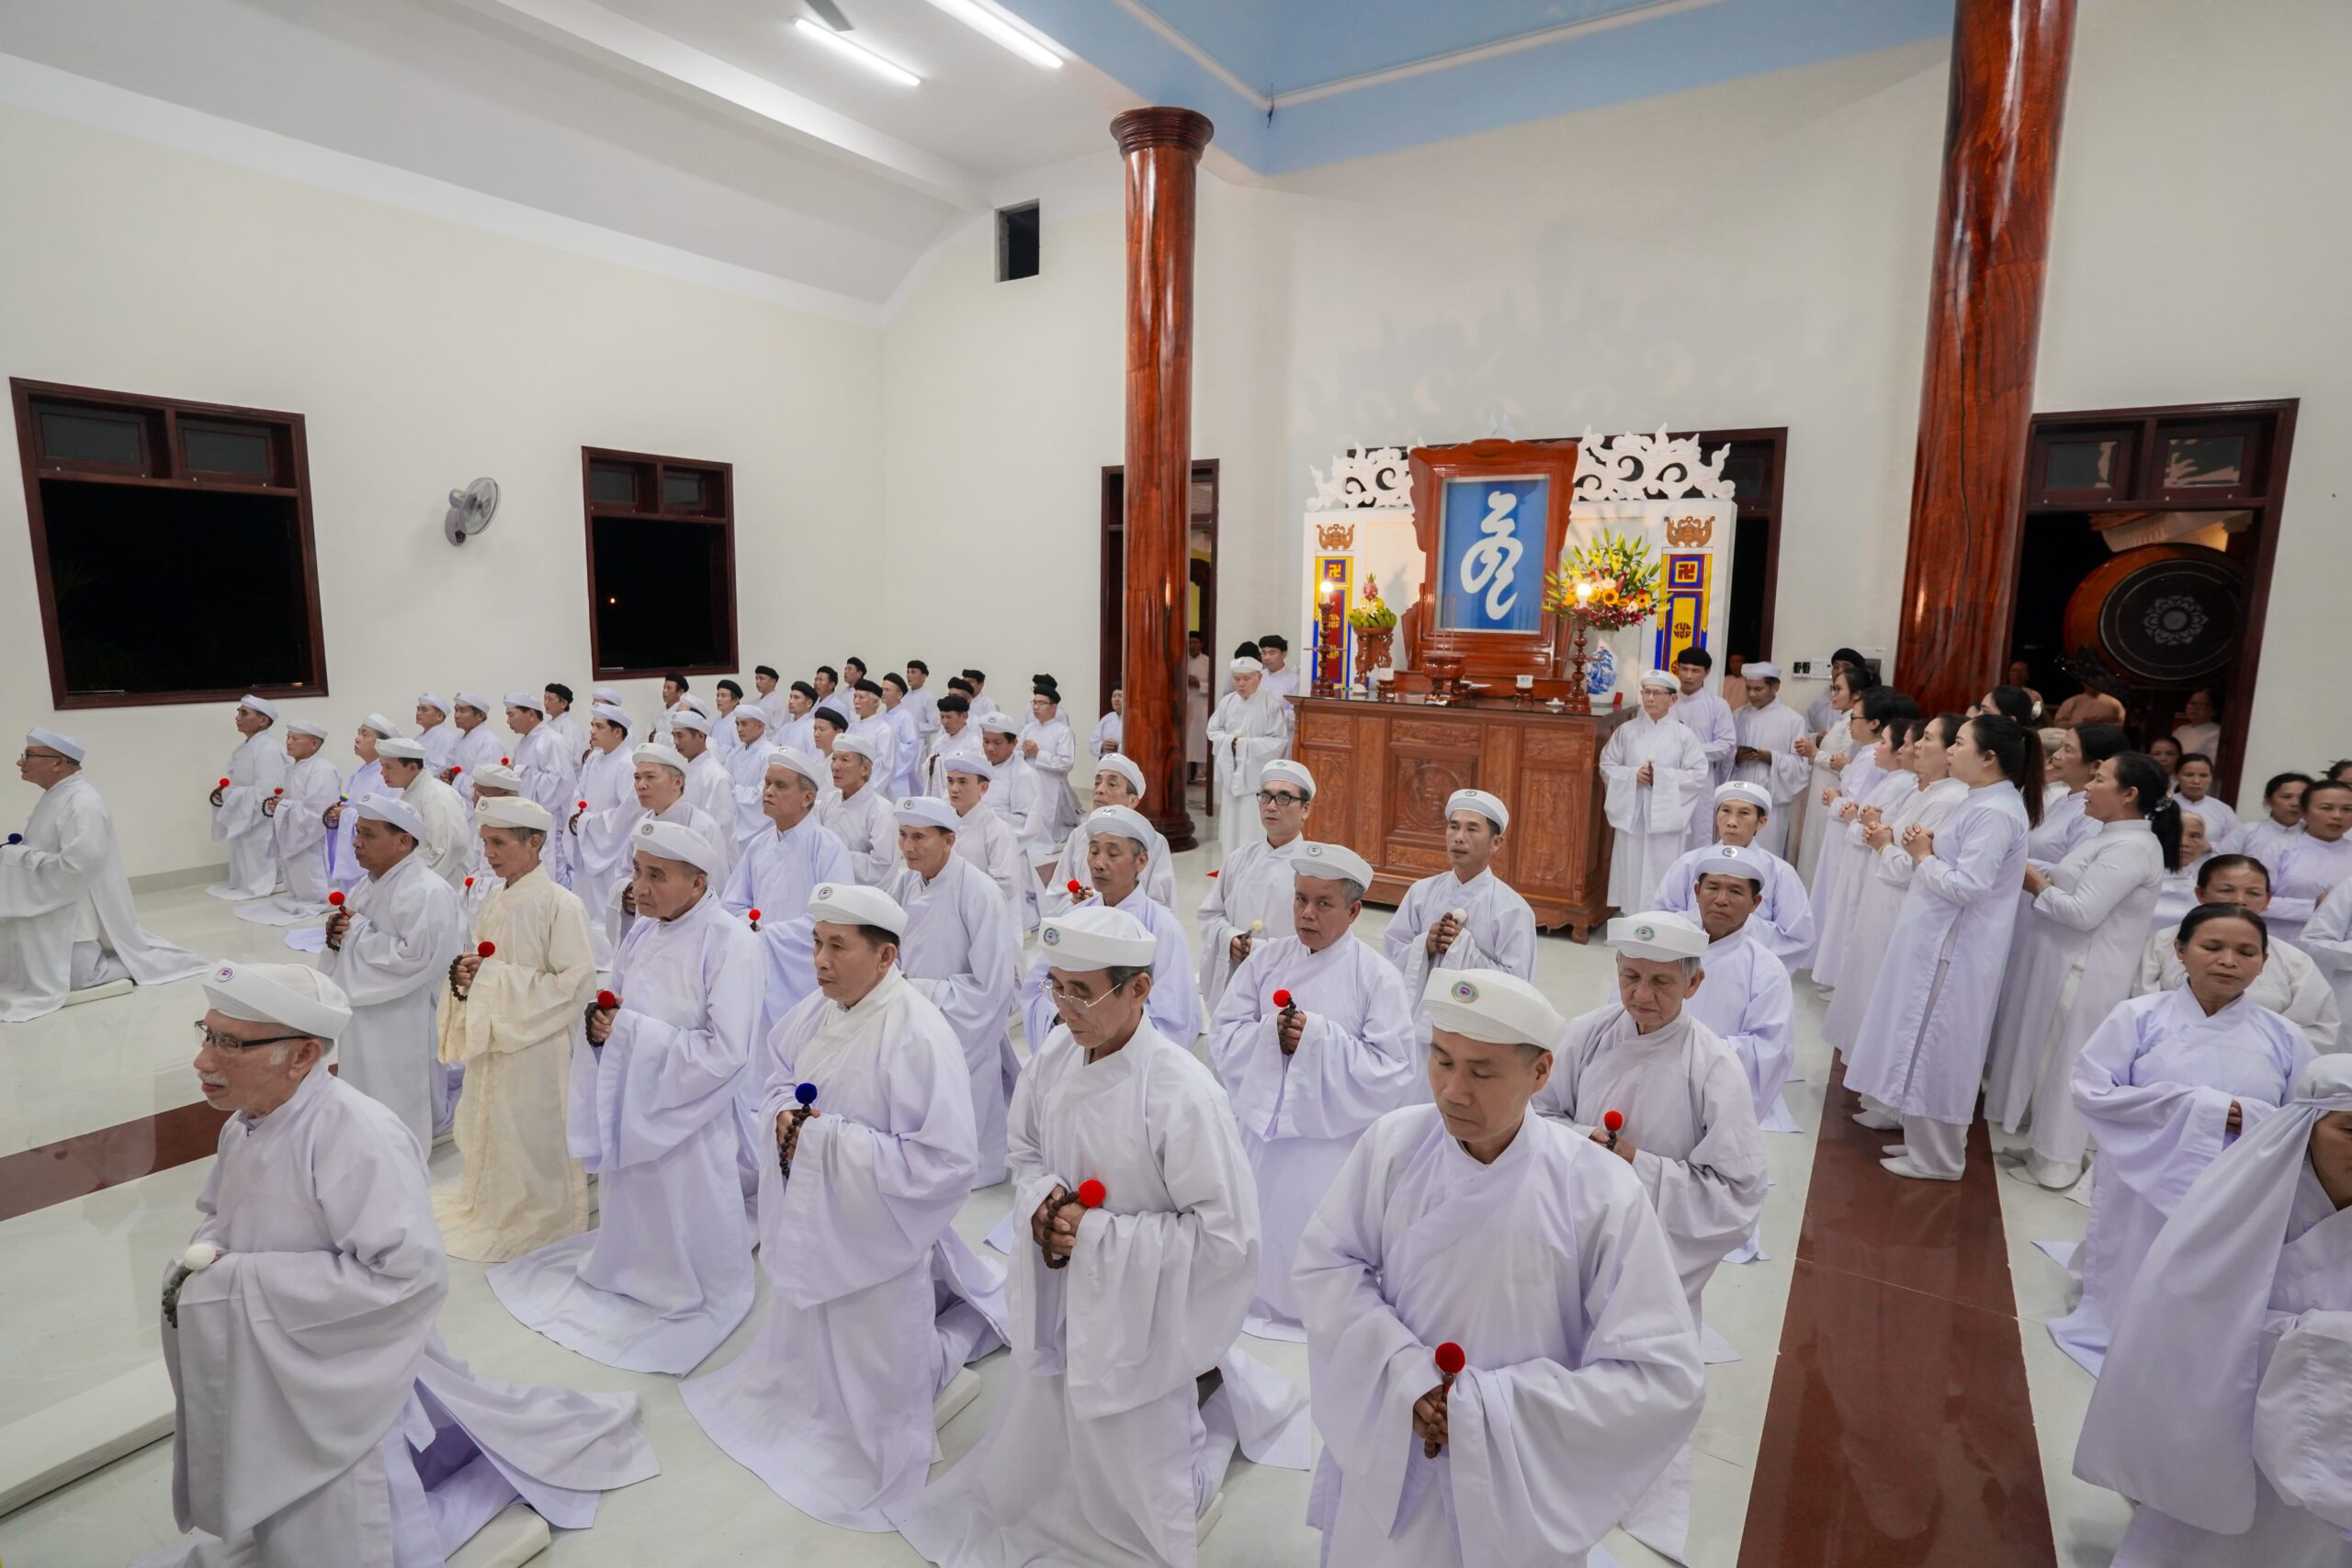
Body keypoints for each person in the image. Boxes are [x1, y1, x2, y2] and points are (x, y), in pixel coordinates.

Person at [142, 961, 654, 1568]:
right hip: (283, 1354)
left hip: (341, 1375)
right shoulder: (246, 1125)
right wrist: (210, 1262)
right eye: (208, 1034)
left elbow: (409, 1277)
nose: (203, 1060)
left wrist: (235, 1282)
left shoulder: (357, 1136)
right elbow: (221, 1216)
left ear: (303, 1055)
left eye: (230, 1043)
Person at [899, 906, 1311, 1567]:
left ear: (1139, 988)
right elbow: (1025, 1150)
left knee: (1141, 1486)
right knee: (1042, 1462)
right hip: (1064, 1293)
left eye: (1082, 992)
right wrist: (1042, 1204)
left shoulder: (1183, 1094)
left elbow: (1227, 1239)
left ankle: (1208, 1434)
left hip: (1141, 1320)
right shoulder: (1055, 1056)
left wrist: (1097, 1236)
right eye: (1056, 987)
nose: (1064, 1009)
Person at [1295, 967, 1705, 1567]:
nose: (1453, 1092)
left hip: (1514, 1481)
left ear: (1541, 1072)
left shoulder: (1597, 1189)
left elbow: (1660, 1375)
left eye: (1482, 1072)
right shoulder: (1394, 1144)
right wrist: (1404, 1372)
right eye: (1441, 1060)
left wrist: (1485, 1410)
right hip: (1395, 1438)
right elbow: (1328, 1267)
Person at [683, 882, 1008, 1530]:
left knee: (882, 1371)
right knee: (801, 1356)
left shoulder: (918, 1033)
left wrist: (826, 1140)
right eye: (816, 943)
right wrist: (786, 1115)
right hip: (814, 1221)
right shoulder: (819, 1009)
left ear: (886, 957)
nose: (820, 961)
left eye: (838, 946)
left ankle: (967, 1331)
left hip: (872, 1242)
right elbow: (776, 1076)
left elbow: (945, 1163)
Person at [1533, 910, 1768, 1560]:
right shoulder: (1587, 1033)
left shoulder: (1713, 1067)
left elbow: (1737, 1191)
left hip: (1657, 1250)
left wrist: (1636, 1164)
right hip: (1576, 1230)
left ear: (1694, 983)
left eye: (1661, 981)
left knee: (1635, 1374)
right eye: (1630, 976)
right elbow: (1539, 1110)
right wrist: (1583, 1144)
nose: (1641, 995)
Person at [491, 820, 758, 1372]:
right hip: (632, 1097)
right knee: (633, 1202)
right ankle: (627, 1265)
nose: (640, 887)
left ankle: (686, 1281)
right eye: (637, 871)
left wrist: (631, 1033)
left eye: (656, 875)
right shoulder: (645, 931)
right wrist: (604, 1023)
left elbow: (728, 1052)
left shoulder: (731, 942)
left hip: (689, 1115)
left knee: (687, 1207)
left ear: (698, 882)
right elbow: (621, 998)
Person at [2071, 1054, 2352, 1566]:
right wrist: (2313, 1341)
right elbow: (2189, 1310)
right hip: (2232, 1410)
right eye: (2350, 1130)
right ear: (2309, 1126)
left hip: (2334, 1430)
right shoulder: (2244, 1198)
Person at [2053, 903, 2314, 1376]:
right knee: (2132, 1262)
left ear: (2263, 962)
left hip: (2237, 1181)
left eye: (2246, 952)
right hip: (2143, 1169)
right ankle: (2119, 1322)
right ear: (2180, 950)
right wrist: (2204, 1110)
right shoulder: (2138, 1015)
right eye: (2212, 947)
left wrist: (2248, 1117)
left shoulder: (2286, 1037)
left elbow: (2303, 1117)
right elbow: (2092, 1089)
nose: (2228, 961)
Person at [1207, 842, 1416, 1338]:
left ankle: (1308, 1305)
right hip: (1262, 1132)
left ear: (1354, 911)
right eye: (1300, 899)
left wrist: (1319, 1040)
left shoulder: (1376, 977)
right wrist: (1270, 1036)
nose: (1306, 913)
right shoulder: (1267, 960)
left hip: (1330, 1141)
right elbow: (1224, 1030)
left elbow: (1393, 1068)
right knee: (1251, 1219)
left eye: (1324, 903)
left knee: (1310, 1227)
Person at [1845, 715, 2041, 1180]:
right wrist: (1931, 848)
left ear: (1989, 757)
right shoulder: (1982, 800)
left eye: (1959, 743)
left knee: (1941, 1049)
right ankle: (1921, 1141)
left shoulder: (1996, 810)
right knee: (1921, 1043)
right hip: (1941, 940)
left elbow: (1969, 886)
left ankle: (1940, 1158)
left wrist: (1923, 856)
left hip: (1957, 948)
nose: (1950, 751)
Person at [1984, 751, 2177, 1189]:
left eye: (2100, 780)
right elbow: (2072, 877)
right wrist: (2030, 869)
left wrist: (2036, 885)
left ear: (2128, 794)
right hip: (2064, 962)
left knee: (2067, 1063)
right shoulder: (2108, 835)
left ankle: (2058, 1160)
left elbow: (2083, 912)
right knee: (2046, 1059)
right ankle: (2041, 1145)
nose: (2088, 787)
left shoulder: (2132, 847)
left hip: (2087, 970)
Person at [432, 795, 594, 1260]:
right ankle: (491, 1202)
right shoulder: (496, 898)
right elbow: (487, 960)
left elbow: (574, 983)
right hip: (497, 1035)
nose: (489, 853)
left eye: (499, 843)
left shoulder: (561, 905)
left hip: (539, 1044)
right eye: (485, 842)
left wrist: (491, 980)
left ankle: (536, 1209)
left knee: (530, 1132)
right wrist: (468, 973)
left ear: (534, 843)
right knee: (493, 1123)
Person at [2, 729, 204, 1021]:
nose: (20, 762)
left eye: (29, 755)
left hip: (76, 911)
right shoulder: (57, 795)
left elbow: (77, 866)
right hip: (55, 904)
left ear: (58, 762)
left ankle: (142, 964)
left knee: (78, 977)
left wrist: (15, 858)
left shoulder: (83, 803)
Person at [886, 797, 1023, 1187]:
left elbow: (992, 986)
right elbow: (888, 947)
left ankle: (974, 1166)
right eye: (903, 835)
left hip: (962, 1021)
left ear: (949, 841)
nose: (908, 846)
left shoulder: (979, 892)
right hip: (911, 1012)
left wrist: (919, 990)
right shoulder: (905, 883)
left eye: (919, 837)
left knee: (963, 1110)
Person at [319, 794, 464, 1149]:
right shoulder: (368, 883)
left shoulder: (427, 891)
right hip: (368, 1002)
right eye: (357, 832)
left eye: (368, 834)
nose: (356, 842)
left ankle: (410, 1136)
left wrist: (355, 933)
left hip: (408, 1011)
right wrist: (337, 936)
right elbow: (352, 937)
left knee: (406, 1090)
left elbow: (419, 960)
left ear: (402, 841)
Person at [1823, 714, 1971, 1058]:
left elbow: (1911, 865)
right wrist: (1880, 831)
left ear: (1950, 751)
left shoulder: (1949, 799)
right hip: (1883, 899)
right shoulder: (1928, 791)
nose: (1916, 745)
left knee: (1880, 1000)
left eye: (1927, 739)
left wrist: (1881, 841)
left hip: (1899, 906)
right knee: (1864, 991)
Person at [1379, 788, 1536, 1075]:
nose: (1459, 837)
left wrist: (1463, 949)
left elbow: (1518, 985)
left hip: (1475, 1038)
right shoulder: (1421, 893)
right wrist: (1424, 946)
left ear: (1496, 843)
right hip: (1415, 1033)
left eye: (1472, 829)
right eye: (1453, 827)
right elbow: (1389, 959)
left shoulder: (1513, 910)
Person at [1019, 804, 1199, 1048]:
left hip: (1130, 1056)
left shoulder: (1162, 928)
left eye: (1113, 854)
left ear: (1141, 861)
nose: (1099, 863)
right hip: (1071, 1043)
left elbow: (1174, 1016)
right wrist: (1065, 1017)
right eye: (1093, 852)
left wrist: (1105, 1029)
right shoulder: (1074, 917)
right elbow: (1036, 987)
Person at [2139, 855, 2341, 1050]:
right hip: (2164, 1054)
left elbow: (2317, 1031)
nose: (2239, 900)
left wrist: (2246, 1049)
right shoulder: (2164, 942)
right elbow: (2142, 1006)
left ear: (2268, 899)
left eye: (2253, 893)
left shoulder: (2293, 960)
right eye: (2227, 890)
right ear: (2201, 894)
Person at [723, 747, 854, 1041]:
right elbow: (733, 904)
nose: (768, 791)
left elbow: (834, 920)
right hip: (758, 964)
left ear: (807, 797)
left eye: (780, 785)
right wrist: (750, 926)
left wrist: (767, 934)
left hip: (805, 972)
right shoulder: (758, 846)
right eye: (767, 783)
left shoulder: (828, 848)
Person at [1684, 847, 1803, 1141]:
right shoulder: (1669, 944)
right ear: (1697, 892)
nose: (1721, 899)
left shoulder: (1766, 970)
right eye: (1713, 887)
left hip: (1715, 1093)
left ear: (1755, 903)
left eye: (1736, 891)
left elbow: (1769, 1050)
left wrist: (1683, 1053)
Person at [1804, 693, 1911, 992]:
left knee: (1847, 913)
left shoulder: (1893, 775)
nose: (1849, 723)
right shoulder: (1876, 763)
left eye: (1855, 717)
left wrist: (1838, 802)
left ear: (1874, 723)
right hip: (1849, 840)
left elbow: (1861, 814)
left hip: (1858, 846)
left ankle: (1838, 980)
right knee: (1838, 906)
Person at [1652, 780, 1817, 972]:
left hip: (1748, 972)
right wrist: (1702, 922)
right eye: (1725, 811)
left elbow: (1798, 938)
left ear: (1762, 822)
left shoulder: (1780, 872)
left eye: (1744, 813)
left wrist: (1739, 925)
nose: (1732, 822)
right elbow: (1661, 916)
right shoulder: (1689, 863)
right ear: (1716, 816)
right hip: (1689, 970)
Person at [1195, 759, 1313, 1016]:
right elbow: (1211, 914)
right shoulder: (1239, 858)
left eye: (1284, 798)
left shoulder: (1314, 870)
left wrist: (1259, 950)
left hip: (1287, 987)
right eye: (1265, 797)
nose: (1271, 806)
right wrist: (1230, 939)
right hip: (1237, 979)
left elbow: (1321, 940)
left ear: (1305, 809)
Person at [1600, 671, 1712, 912]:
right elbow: (1606, 766)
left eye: (1657, 693)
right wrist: (1632, 775)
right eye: (1646, 692)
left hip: (1666, 820)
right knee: (1631, 868)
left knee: (1662, 871)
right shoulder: (1626, 731)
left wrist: (1660, 778)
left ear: (1673, 699)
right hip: (1633, 815)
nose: (1650, 698)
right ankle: (1630, 918)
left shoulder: (1684, 736)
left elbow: (1698, 774)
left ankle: (1661, 919)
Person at [605, 743, 728, 954]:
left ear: (677, 782)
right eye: (637, 778)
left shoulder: (702, 827)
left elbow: (717, 889)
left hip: (689, 937)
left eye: (650, 777)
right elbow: (625, 872)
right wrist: (627, 891)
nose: (641, 785)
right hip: (645, 932)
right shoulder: (643, 825)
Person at [234, 717, 340, 925]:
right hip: (294, 834)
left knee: (313, 882)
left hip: (312, 840)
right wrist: (277, 805)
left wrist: (283, 806)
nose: (289, 742)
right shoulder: (293, 769)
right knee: (296, 883)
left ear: (313, 744)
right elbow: (293, 802)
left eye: (295, 738)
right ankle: (301, 896)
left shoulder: (323, 770)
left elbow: (319, 813)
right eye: (288, 737)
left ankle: (318, 897)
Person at [1042, 751, 1175, 917]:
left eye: (1111, 784)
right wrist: (1076, 901)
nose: (1099, 790)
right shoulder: (1079, 835)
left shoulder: (1153, 842)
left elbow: (1161, 907)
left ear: (1132, 801)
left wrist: (1108, 905)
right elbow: (1056, 895)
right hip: (1081, 924)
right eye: (1097, 783)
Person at [1206, 657, 1294, 855]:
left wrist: (1244, 745)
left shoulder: (1270, 705)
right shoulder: (1227, 702)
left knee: (1251, 825)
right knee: (1231, 826)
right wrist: (1229, 741)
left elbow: (1278, 741)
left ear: (1259, 678)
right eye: (1237, 679)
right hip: (1232, 775)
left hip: (1255, 778)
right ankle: (1231, 860)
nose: (1241, 684)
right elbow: (1213, 730)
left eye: (1246, 679)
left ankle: (1254, 860)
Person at [1792, 660, 1870, 881]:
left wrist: (1815, 753)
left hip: (1834, 792)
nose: (1833, 695)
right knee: (1812, 847)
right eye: (1832, 688)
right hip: (1822, 791)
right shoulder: (1842, 719)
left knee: (1820, 852)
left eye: (1839, 689)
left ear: (1857, 694)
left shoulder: (1853, 723)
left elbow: (1846, 763)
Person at [207, 694, 288, 901]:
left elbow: (267, 794)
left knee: (261, 854)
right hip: (244, 812)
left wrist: (230, 794)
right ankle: (246, 882)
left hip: (260, 818)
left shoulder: (268, 749)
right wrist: (224, 793)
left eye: (244, 713)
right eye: (238, 712)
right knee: (244, 855)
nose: (237, 717)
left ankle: (274, 882)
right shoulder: (243, 749)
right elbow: (235, 782)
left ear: (263, 720)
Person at [1730, 662, 1811, 859]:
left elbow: (1801, 766)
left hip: (1771, 795)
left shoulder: (1793, 720)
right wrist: (1736, 757)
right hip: (1740, 788)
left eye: (1758, 689)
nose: (1752, 694)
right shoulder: (1738, 715)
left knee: (1765, 851)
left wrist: (1771, 758)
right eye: (1748, 688)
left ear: (1775, 687)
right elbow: (1726, 754)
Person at [941, 755, 1029, 926]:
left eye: (963, 782)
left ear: (983, 788)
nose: (954, 789)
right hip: (947, 913)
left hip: (985, 919)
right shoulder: (942, 825)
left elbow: (1005, 887)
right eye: (950, 781)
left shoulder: (998, 831)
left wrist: (961, 902)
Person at [374, 737, 469, 893]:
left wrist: (413, 882)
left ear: (412, 767)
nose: (382, 772)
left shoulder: (437, 794)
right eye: (382, 766)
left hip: (441, 885)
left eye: (389, 767)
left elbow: (447, 848)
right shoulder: (412, 792)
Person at [1668, 649, 1738, 849]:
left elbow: (1727, 743)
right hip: (1669, 778)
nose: (1688, 676)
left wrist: (1689, 750)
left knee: (1698, 834)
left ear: (1706, 673)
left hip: (1702, 780)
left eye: (1695, 671)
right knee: (1668, 834)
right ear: (1677, 669)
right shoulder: (1666, 701)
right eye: (1684, 669)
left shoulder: (1717, 705)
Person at [2267, 778, 2352, 944]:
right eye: (2326, 808)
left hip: (2339, 951)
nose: (2337, 816)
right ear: (2303, 812)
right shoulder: (2279, 849)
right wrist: (2311, 907)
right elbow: (2254, 901)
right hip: (2281, 942)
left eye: (2347, 809)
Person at [324, 715, 401, 897]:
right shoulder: (359, 772)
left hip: (375, 848)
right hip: (357, 842)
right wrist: (338, 813)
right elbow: (351, 805)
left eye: (365, 734)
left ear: (381, 742)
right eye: (358, 733)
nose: (357, 738)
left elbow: (386, 816)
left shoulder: (386, 774)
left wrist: (346, 814)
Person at [1020, 678, 1080, 840]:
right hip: (1028, 782)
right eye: (1034, 702)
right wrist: (1023, 753)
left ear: (1054, 707)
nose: (1036, 707)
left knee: (1048, 826)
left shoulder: (1063, 732)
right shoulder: (1028, 729)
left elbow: (1066, 762)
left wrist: (1038, 754)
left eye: (1041, 703)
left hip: (1051, 785)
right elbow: (1017, 754)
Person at [669, 709, 735, 829]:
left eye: (680, 735)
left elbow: (720, 827)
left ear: (700, 736)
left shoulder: (717, 777)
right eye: (674, 736)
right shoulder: (681, 770)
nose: (675, 742)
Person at [722, 704, 775, 846]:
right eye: (737, 724)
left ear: (760, 726)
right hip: (734, 819)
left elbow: (763, 794)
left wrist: (732, 791)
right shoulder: (737, 751)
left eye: (744, 724)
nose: (739, 729)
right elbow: (724, 780)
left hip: (760, 827)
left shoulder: (769, 754)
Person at [2241, 772, 2312, 871]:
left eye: (2302, 798)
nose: (2295, 803)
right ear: (2268, 800)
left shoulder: (2316, 834)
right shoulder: (2247, 831)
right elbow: (2221, 863)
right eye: (2286, 797)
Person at [922, 693, 983, 797]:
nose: (945, 722)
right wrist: (934, 763)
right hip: (936, 796)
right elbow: (925, 769)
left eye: (949, 717)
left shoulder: (973, 743)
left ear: (964, 716)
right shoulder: (940, 741)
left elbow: (974, 776)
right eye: (942, 717)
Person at [443, 694, 503, 800]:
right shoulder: (457, 740)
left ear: (480, 716)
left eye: (462, 711)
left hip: (476, 803)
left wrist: (455, 779)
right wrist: (446, 775)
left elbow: (485, 783)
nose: (456, 715)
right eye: (456, 710)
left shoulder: (489, 742)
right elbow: (448, 767)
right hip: (455, 800)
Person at [2175, 752, 2238, 852]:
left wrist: (2210, 846)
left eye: (2203, 775)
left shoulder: (2223, 809)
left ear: (2211, 778)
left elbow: (2236, 844)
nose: (2196, 781)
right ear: (2176, 776)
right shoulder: (2163, 803)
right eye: (2189, 775)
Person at [1186, 630, 1210, 784]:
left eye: (1195, 642)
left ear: (1201, 644)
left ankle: (1201, 775)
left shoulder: (1208, 661)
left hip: (1202, 705)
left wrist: (1198, 684)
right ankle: (1185, 775)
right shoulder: (1181, 661)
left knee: (1201, 740)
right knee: (1186, 740)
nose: (1192, 645)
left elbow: (1214, 685)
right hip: (1185, 706)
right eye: (1190, 642)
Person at [412, 693, 457, 774]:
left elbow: (439, 769)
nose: (418, 713)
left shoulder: (446, 738)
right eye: (418, 709)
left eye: (424, 710)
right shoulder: (417, 738)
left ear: (439, 716)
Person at [542, 682, 583, 761]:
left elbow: (572, 758)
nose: (545, 703)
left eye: (550, 699)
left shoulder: (570, 727)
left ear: (564, 703)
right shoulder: (547, 725)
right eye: (545, 699)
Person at [902, 659, 940, 744]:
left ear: (923, 677)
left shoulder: (929, 698)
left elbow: (935, 725)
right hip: (901, 742)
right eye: (908, 672)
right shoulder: (903, 695)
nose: (908, 675)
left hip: (919, 744)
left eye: (913, 672)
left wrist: (912, 727)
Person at [1256, 633, 1297, 700]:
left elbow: (1295, 706)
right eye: (1264, 653)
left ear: (1283, 654)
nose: (1266, 657)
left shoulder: (1294, 680)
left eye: (1272, 653)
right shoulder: (1257, 676)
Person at [1089, 686, 1125, 758]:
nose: (1116, 699)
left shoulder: (1133, 719)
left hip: (1126, 762)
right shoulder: (1106, 719)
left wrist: (1119, 748)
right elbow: (1092, 745)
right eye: (1114, 696)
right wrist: (1102, 746)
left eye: (1120, 696)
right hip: (1108, 761)